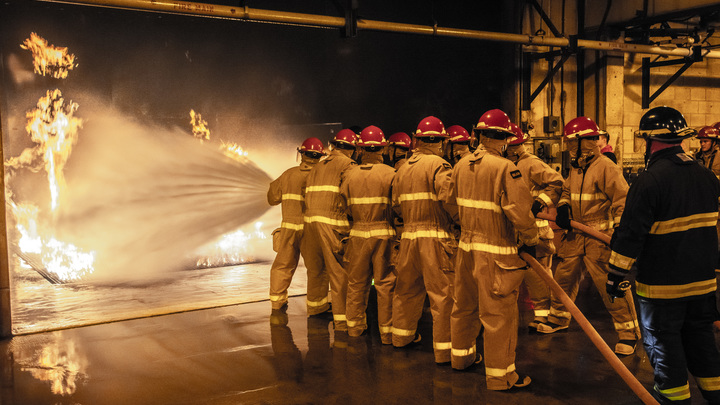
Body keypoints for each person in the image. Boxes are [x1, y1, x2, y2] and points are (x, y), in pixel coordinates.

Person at [608, 106, 720, 405]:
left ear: (651, 141)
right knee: (702, 344)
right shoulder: (707, 177)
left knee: (665, 349)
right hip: (704, 285)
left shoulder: (649, 181)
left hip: (662, 290)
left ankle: (673, 400)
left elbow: (631, 235)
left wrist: (616, 275)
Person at [443, 109, 538, 390]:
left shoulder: (460, 165)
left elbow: (449, 202)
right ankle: (502, 377)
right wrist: (531, 239)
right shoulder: (506, 168)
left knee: (464, 306)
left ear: (480, 135)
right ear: (506, 139)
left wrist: (467, 226)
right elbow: (520, 212)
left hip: (466, 249)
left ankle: (461, 359)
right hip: (497, 253)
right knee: (498, 315)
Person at [537, 116, 641, 356]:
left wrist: (619, 233)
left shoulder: (606, 167)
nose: (567, 146)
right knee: (563, 278)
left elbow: (622, 201)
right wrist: (563, 206)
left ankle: (628, 333)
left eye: (570, 141)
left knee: (610, 285)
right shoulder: (576, 166)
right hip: (576, 235)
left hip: (599, 236)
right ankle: (558, 318)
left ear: (581, 141)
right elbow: (566, 189)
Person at [391, 116, 456, 364]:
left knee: (406, 290)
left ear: (417, 140)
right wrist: (459, 220)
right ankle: (444, 351)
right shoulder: (440, 165)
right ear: (440, 141)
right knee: (442, 296)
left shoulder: (403, 168)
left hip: (408, 238)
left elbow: (396, 205)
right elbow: (448, 199)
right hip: (436, 238)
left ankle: (402, 337)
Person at [340, 125, 397, 343]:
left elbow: (344, 205)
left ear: (361, 149)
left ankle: (354, 328)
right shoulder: (391, 174)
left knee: (356, 283)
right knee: (384, 284)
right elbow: (398, 205)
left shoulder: (349, 175)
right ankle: (387, 333)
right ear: (382, 149)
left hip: (357, 234)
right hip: (383, 233)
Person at [504, 123, 563, 331]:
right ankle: (540, 314)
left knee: (538, 275)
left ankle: (544, 316)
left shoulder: (531, 164)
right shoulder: (506, 165)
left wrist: (541, 200)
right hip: (517, 231)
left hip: (536, 231)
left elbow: (557, 182)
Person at [302, 129, 357, 329]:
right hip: (333, 225)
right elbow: (350, 194)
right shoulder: (348, 165)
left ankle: (316, 308)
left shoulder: (318, 165)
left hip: (310, 224)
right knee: (339, 272)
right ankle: (342, 321)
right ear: (351, 149)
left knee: (316, 269)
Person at [267, 137, 325, 312]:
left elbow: (272, 198)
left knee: (282, 266)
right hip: (312, 230)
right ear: (320, 156)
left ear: (302, 154)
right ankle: (317, 307)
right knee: (317, 269)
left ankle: (277, 302)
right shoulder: (323, 175)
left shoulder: (288, 174)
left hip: (289, 228)